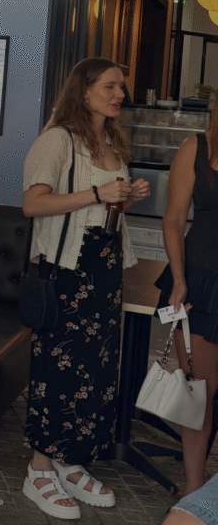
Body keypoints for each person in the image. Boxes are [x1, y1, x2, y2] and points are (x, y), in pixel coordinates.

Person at [21, 57, 150, 519]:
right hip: (66, 272)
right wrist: (99, 193)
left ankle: (69, 460)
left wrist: (125, 196)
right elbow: (32, 204)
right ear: (85, 90)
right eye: (111, 86)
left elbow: (104, 207)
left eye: (121, 87)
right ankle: (39, 469)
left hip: (105, 268)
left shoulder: (111, 140)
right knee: (58, 371)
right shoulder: (57, 140)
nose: (120, 94)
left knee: (96, 371)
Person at [155, 92, 218, 495]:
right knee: (199, 393)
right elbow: (173, 219)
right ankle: (193, 491)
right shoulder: (196, 147)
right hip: (200, 282)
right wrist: (179, 279)